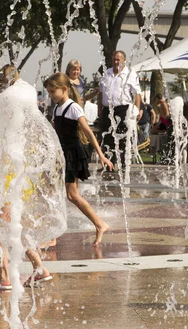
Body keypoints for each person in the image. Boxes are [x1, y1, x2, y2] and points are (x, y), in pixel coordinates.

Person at [0, 64, 52, 290]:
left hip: (2, 179)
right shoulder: (7, 107)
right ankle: (39, 269)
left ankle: (4, 275)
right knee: (15, 225)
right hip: (19, 173)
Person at [44, 72, 114, 246]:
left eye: (53, 92)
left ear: (64, 89)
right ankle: (97, 224)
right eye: (49, 92)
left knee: (71, 194)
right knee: (55, 192)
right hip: (61, 154)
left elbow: (88, 132)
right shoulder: (58, 108)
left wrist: (101, 155)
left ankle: (99, 224)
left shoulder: (73, 107)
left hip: (72, 154)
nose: (51, 95)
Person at [98, 50, 142, 169]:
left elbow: (137, 94)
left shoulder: (130, 74)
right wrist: (100, 108)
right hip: (108, 109)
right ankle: (108, 165)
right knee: (107, 137)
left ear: (124, 61)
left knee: (122, 137)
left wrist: (137, 110)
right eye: (114, 59)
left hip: (123, 109)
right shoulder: (106, 74)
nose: (116, 62)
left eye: (118, 59)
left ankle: (122, 165)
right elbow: (100, 93)